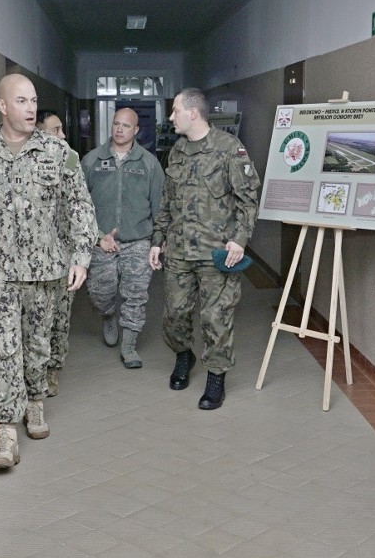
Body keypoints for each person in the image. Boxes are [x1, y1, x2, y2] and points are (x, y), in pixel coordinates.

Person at [0, 74, 96, 470]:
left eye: (34, 100)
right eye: (21, 101)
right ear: (2, 106)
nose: (31, 108)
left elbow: (81, 207)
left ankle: (35, 403)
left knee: (36, 348)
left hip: (45, 270)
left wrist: (81, 257)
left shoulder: (58, 152)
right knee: (5, 348)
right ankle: (6, 433)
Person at [148, 88, 260, 410]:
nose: (171, 118)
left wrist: (239, 239)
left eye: (175, 111)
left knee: (216, 317)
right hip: (179, 251)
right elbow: (167, 203)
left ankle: (216, 377)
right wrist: (158, 241)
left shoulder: (229, 149)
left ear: (193, 113)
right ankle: (184, 355)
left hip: (216, 254)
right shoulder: (177, 152)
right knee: (174, 314)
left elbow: (247, 199)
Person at [81, 107, 164, 368]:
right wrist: (96, 236)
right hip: (102, 241)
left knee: (136, 295)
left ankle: (129, 346)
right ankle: (107, 316)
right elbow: (79, 205)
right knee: (99, 293)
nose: (119, 129)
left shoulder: (149, 163)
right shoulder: (92, 160)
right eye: (116, 124)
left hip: (138, 240)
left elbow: (161, 207)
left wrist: (158, 242)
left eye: (126, 125)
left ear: (136, 130)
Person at [35, 110, 78, 397]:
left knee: (60, 319)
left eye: (63, 129)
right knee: (37, 322)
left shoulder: (66, 163)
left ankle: (52, 370)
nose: (62, 136)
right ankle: (33, 375)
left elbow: (81, 208)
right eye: (55, 130)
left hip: (64, 256)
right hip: (35, 262)